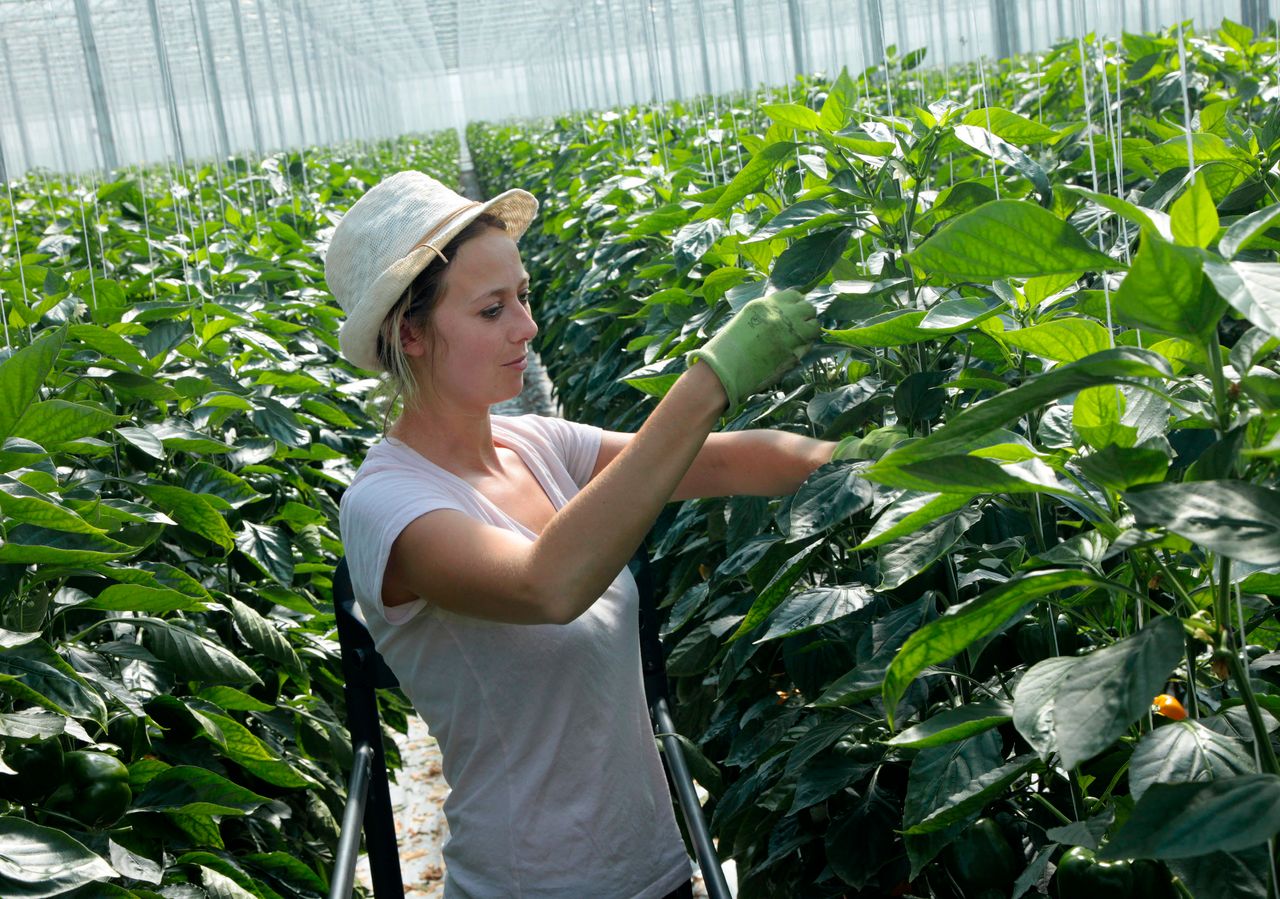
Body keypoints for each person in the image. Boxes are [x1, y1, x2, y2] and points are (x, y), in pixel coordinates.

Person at [327, 171, 840, 899]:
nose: (526, 328)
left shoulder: (534, 445)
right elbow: (549, 583)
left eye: (524, 297)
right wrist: (709, 380)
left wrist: (881, 463)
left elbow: (723, 460)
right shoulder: (387, 504)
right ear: (409, 333)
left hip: (656, 871)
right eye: (491, 309)